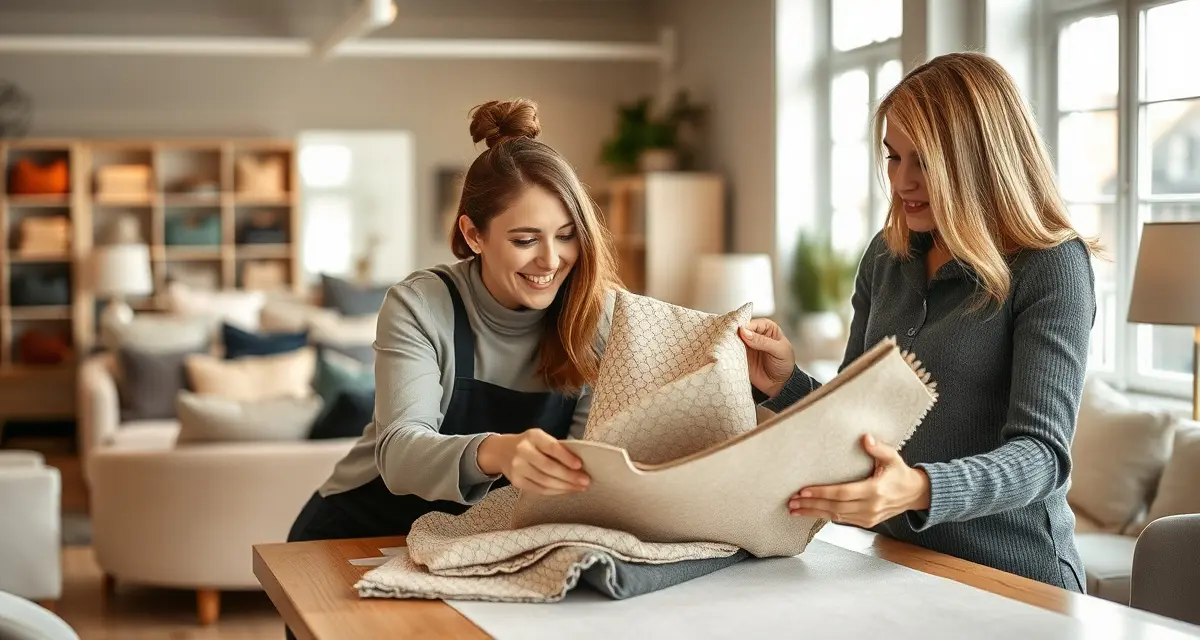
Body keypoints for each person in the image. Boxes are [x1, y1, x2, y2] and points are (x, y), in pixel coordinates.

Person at [740, 52, 1099, 592]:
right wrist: (783, 383)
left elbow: (1042, 457)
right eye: (892, 157)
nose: (901, 181)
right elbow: (855, 423)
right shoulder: (886, 258)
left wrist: (919, 489)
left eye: (923, 162)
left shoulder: (1051, 265)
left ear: (983, 161)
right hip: (894, 563)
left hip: (1018, 579)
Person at [288, 98, 621, 544]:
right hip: (356, 532)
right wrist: (499, 451)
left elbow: (583, 467)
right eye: (525, 239)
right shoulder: (421, 304)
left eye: (566, 236)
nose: (550, 259)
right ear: (472, 234)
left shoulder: (599, 316)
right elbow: (400, 454)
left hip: (476, 539)